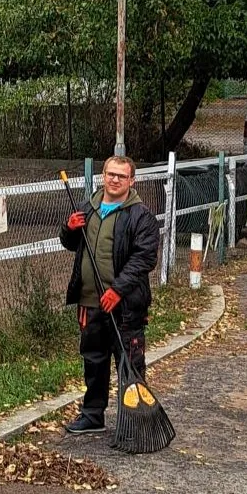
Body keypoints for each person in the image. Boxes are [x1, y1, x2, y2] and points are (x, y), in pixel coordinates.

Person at [60, 155, 160, 434]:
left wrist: (118, 290)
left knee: (130, 363)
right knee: (94, 360)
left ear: (132, 181)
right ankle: (92, 415)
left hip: (125, 306)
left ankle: (137, 422)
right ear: (103, 176)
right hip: (90, 301)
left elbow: (144, 258)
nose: (115, 180)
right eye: (111, 174)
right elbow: (71, 244)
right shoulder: (87, 208)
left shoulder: (141, 216)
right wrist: (68, 229)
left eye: (121, 176)